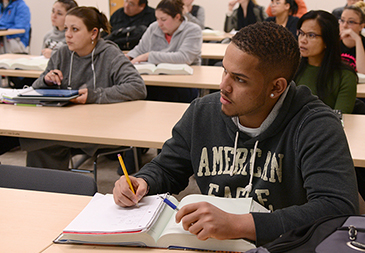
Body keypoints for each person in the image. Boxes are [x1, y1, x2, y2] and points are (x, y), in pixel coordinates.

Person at [113, 21, 359, 246]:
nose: (223, 86)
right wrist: (142, 181)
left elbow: (336, 208)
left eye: (240, 79)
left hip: (285, 246)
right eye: (224, 71)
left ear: (277, 87)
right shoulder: (204, 112)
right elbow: (167, 169)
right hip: (213, 243)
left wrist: (239, 224)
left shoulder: (316, 125)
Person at [19, 6, 147, 171]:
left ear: (93, 33)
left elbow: (137, 87)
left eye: (75, 29)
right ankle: (48, 193)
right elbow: (36, 88)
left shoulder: (110, 54)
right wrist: (47, 80)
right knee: (39, 142)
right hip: (63, 126)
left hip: (101, 127)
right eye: (66, 29)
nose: (68, 34)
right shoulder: (61, 54)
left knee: (44, 142)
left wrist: (94, 95)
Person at [127, 0, 202, 103]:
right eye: (157, 19)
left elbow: (185, 57)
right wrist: (130, 57)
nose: (159, 24)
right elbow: (141, 49)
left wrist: (149, 56)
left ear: (177, 17)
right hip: (155, 81)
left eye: (163, 19)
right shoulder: (154, 27)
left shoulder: (193, 30)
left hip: (182, 83)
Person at [294, 10, 357, 114]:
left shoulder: (345, 76)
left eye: (311, 35)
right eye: (301, 33)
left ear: (328, 40)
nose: (302, 40)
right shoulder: (292, 68)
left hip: (325, 129)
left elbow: (339, 120)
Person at [339, 5, 365, 74]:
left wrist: (357, 40)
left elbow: (363, 72)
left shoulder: (362, 42)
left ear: (361, 26)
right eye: (342, 20)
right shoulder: (332, 42)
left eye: (351, 22)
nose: (344, 25)